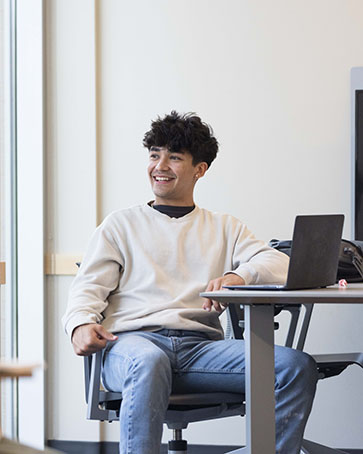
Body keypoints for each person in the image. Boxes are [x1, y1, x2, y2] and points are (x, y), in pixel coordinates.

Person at [62, 111, 318, 454]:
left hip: (201, 351)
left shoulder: (225, 226)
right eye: (154, 155)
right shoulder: (120, 225)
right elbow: (87, 288)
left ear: (200, 168)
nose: (160, 165)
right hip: (132, 346)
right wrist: (79, 325)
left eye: (174, 157)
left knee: (296, 367)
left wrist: (237, 276)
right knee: (149, 361)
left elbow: (279, 263)